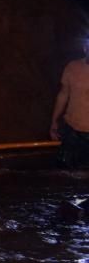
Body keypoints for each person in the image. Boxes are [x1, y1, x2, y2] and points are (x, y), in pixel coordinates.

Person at [50, 38, 89, 168]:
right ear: (85, 48)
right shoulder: (72, 67)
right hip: (73, 132)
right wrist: (54, 121)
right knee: (67, 172)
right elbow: (63, 95)